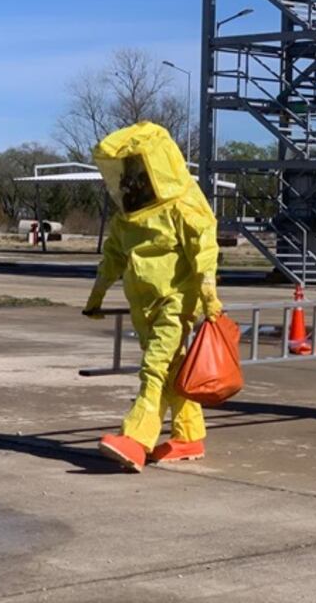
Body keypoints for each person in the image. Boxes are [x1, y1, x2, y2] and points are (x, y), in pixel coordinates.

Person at [83, 121, 222, 472]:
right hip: (142, 303)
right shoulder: (128, 215)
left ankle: (135, 440)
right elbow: (113, 255)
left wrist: (208, 294)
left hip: (176, 300)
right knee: (174, 369)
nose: (132, 180)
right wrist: (96, 295)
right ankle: (188, 437)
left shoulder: (184, 204)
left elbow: (204, 249)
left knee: (155, 369)